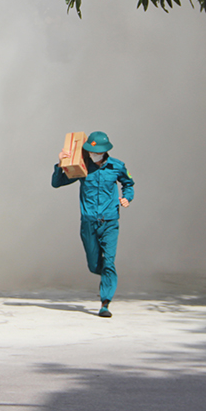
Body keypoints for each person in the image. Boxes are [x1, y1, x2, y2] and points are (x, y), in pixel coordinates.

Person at [51, 131, 134, 318]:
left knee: (109, 262)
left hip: (110, 221)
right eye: (92, 152)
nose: (95, 155)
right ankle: (105, 273)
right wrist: (60, 163)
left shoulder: (116, 166)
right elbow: (57, 183)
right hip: (89, 222)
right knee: (94, 264)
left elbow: (128, 184)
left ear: (105, 151)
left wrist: (127, 198)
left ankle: (105, 303)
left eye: (98, 152)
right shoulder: (81, 167)